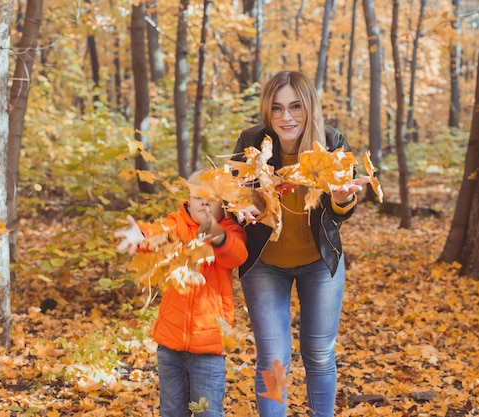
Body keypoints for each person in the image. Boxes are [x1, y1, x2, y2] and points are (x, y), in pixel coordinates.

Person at [231, 70, 369, 417]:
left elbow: (340, 213)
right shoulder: (251, 142)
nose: (286, 117)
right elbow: (233, 199)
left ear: (309, 107)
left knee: (320, 355)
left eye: (295, 106)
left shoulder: (333, 142)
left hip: (318, 263)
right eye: (276, 108)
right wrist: (240, 209)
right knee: (274, 359)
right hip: (265, 264)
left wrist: (340, 198)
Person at [114, 169, 248, 417]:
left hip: (209, 348)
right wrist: (141, 234)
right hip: (170, 346)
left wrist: (217, 235)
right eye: (199, 197)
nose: (204, 202)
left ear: (225, 204)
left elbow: (237, 255)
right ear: (189, 198)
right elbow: (158, 232)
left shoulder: (229, 230)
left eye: (212, 198)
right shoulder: (177, 224)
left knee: (208, 412)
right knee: (172, 411)